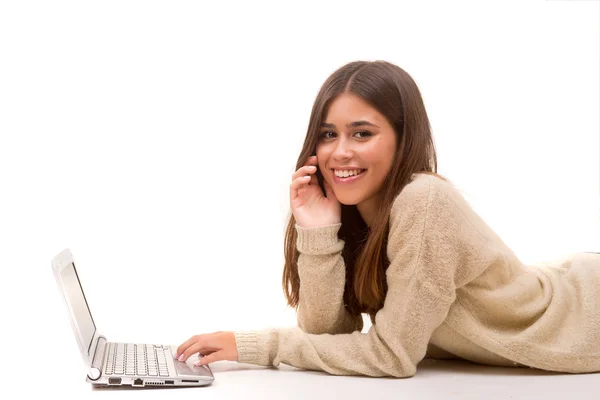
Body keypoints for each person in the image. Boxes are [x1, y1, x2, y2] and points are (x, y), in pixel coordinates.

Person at [174, 60, 600, 377]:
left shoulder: (424, 201)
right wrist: (318, 232)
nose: (339, 152)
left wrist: (255, 345)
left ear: (402, 139)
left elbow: (391, 355)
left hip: (583, 312)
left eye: (362, 133)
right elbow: (328, 333)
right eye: (328, 134)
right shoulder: (362, 215)